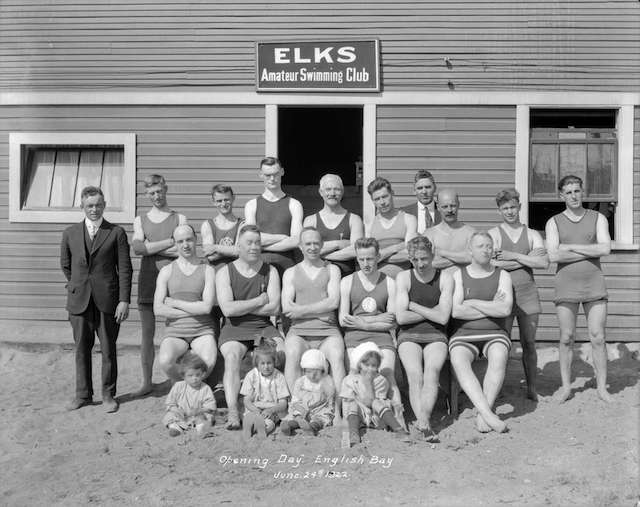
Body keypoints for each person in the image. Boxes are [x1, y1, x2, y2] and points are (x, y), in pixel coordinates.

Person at [60, 186, 132, 413]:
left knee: (109, 349)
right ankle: (83, 395)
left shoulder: (116, 232)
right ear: (82, 206)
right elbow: (66, 264)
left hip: (108, 300)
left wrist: (123, 300)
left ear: (104, 205)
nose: (94, 209)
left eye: (98, 205)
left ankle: (109, 395)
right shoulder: (70, 233)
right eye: (90, 205)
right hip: (79, 301)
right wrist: (77, 285)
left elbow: (125, 269)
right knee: (82, 348)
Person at [545, 175, 612, 403]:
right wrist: (588, 249)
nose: (573, 195)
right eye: (569, 192)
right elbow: (553, 255)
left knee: (598, 337)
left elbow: (605, 249)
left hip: (594, 282)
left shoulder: (598, 217)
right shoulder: (553, 222)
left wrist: (569, 246)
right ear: (561, 195)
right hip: (566, 284)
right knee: (566, 337)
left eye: (577, 191)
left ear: (582, 192)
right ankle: (566, 387)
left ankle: (602, 388)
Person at [215, 224, 282, 430]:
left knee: (283, 351)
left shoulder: (270, 270)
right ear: (238, 246)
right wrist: (259, 300)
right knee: (233, 356)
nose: (254, 247)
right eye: (249, 243)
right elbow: (228, 310)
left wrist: (242, 306)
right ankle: (234, 410)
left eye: (257, 243)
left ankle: (278, 406)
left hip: (262, 326)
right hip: (234, 328)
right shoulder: (225, 272)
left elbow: (275, 307)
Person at [449, 232, 513, 434]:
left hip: (495, 333)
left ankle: (483, 414)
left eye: (489, 245)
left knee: (499, 355)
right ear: (470, 250)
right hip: (464, 334)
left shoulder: (502, 275)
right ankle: (487, 414)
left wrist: (473, 303)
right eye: (481, 246)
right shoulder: (459, 275)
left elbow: (504, 310)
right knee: (458, 359)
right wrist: (490, 305)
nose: (486, 250)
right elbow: (456, 311)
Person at [488, 188, 548, 401]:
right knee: (501, 343)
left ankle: (532, 388)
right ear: (499, 211)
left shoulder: (531, 234)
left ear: (520, 207)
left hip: (527, 293)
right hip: (502, 294)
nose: (510, 211)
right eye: (505, 208)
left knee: (529, 342)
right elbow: (492, 263)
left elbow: (543, 262)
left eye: (513, 207)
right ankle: (498, 388)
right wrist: (525, 258)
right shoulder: (494, 234)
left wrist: (512, 256)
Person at [132, 174, 187, 397]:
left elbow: (181, 249)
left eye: (160, 191)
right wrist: (167, 243)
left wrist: (150, 246)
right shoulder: (140, 220)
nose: (156, 196)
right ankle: (147, 382)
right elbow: (137, 248)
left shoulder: (179, 218)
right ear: (147, 194)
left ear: (166, 189)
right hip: (148, 278)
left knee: (177, 332)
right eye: (152, 193)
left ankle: (178, 380)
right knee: (147, 334)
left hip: (174, 279)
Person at [339, 237, 404, 423]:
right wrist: (370, 323)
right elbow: (343, 319)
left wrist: (363, 322)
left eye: (370, 258)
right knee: (354, 373)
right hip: (355, 337)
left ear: (378, 257)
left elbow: (392, 321)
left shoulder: (389, 282)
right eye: (361, 259)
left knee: (387, 373)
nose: (366, 264)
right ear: (357, 259)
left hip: (382, 336)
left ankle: (399, 419)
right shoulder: (347, 281)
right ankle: (352, 418)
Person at [395, 236, 453, 441]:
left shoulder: (445, 278)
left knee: (432, 371)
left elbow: (444, 317)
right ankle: (424, 423)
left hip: (436, 333)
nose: (420, 264)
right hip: (408, 333)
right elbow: (401, 317)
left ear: (432, 255)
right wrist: (432, 311)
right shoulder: (403, 277)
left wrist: (413, 305)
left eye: (424, 259)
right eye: (415, 259)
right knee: (414, 374)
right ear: (410, 258)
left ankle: (423, 420)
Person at [282, 227, 344, 400]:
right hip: (299, 332)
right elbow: (287, 309)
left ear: (322, 245)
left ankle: (339, 408)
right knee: (292, 352)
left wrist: (300, 310)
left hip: (328, 332)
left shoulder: (332, 270)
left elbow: (333, 303)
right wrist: (321, 310)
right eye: (308, 243)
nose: (312, 247)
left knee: (338, 356)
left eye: (316, 243)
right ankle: (294, 404)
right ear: (300, 246)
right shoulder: (290, 273)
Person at [154, 225, 217, 381]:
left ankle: (193, 391)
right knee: (165, 361)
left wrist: (174, 302)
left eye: (189, 239)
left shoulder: (207, 270)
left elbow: (207, 307)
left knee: (209, 361)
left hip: (202, 330)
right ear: (175, 244)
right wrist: (195, 308)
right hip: (175, 332)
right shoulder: (167, 271)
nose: (185, 245)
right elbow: (158, 309)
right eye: (180, 241)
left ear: (196, 240)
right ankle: (183, 387)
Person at [340, 342, 410, 447]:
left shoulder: (380, 380)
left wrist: (368, 383)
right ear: (359, 364)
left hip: (375, 416)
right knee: (352, 404)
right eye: (366, 365)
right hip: (357, 415)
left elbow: (372, 401)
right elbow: (347, 401)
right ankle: (354, 434)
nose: (370, 369)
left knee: (377, 402)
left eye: (374, 366)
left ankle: (398, 429)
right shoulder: (349, 380)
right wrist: (362, 408)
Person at [244, 157, 303, 278]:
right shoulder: (252, 205)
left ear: (282, 172)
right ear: (260, 175)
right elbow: (251, 240)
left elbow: (296, 240)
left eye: (275, 174)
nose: (272, 179)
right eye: (267, 175)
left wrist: (262, 243)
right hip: (258, 267)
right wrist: (282, 237)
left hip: (287, 268)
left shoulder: (294, 204)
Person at [303, 173, 364, 275]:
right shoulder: (310, 220)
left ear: (342, 192)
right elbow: (306, 250)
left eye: (337, 189)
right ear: (321, 192)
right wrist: (338, 244)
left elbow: (356, 251)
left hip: (346, 277)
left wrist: (319, 254)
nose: (332, 193)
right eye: (328, 189)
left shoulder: (354, 219)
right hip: (317, 277)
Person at [366, 177, 418, 279]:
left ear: (392, 193)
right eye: (377, 199)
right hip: (376, 281)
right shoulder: (370, 224)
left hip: (402, 280)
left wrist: (379, 256)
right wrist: (398, 247)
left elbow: (410, 254)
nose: (382, 202)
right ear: (373, 201)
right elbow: (367, 258)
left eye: (385, 196)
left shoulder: (408, 219)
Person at [280, 349, 336, 436]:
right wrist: (302, 410)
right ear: (304, 371)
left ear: (322, 370)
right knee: (297, 417)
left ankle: (311, 428)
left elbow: (330, 400)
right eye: (308, 372)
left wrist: (330, 410)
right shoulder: (300, 382)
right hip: (302, 409)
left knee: (319, 420)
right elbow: (295, 401)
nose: (312, 375)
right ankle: (289, 426)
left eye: (316, 372)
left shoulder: (326, 381)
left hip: (319, 410)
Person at [240, 343, 289, 438]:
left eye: (269, 363)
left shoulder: (279, 377)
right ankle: (249, 427)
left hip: (272, 409)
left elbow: (283, 403)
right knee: (251, 417)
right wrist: (256, 410)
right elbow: (246, 400)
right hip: (255, 408)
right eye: (262, 363)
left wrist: (271, 410)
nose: (266, 367)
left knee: (269, 422)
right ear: (257, 364)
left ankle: (262, 429)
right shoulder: (251, 375)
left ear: (274, 362)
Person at [163, 351, 217, 437]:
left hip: (198, 414)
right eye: (190, 375)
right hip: (181, 414)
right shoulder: (178, 386)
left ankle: (201, 429)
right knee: (170, 416)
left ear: (203, 374)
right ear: (183, 376)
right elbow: (170, 403)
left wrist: (200, 410)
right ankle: (175, 428)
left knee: (204, 417)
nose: (194, 378)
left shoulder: (205, 388)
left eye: (197, 375)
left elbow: (210, 406)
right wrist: (176, 410)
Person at [423, 188, 475, 272]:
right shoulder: (429, 234)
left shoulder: (471, 233)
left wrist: (442, 253)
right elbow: (427, 263)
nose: (449, 210)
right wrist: (461, 259)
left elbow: (473, 258)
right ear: (438, 207)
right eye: (445, 207)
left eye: (453, 205)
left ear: (458, 205)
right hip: (438, 283)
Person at [201, 184, 244, 269]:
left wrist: (215, 247)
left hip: (235, 274)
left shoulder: (242, 224)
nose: (223, 204)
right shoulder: (208, 225)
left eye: (226, 199)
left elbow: (239, 252)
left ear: (233, 198)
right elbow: (210, 256)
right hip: (214, 274)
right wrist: (232, 251)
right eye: (219, 201)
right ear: (213, 202)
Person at [400, 169, 442, 234]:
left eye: (427, 187)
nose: (424, 192)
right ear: (414, 191)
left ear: (435, 188)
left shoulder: (443, 211)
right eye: (420, 188)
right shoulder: (404, 213)